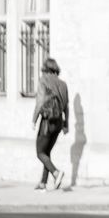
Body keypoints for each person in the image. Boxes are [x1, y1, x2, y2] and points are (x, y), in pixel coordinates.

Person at [31, 57, 69, 191]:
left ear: (46, 69)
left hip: (47, 121)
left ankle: (56, 173)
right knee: (47, 151)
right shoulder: (63, 84)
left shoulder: (44, 81)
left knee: (40, 152)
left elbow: (40, 102)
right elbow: (66, 107)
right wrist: (66, 124)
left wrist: (34, 119)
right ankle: (43, 183)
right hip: (59, 122)